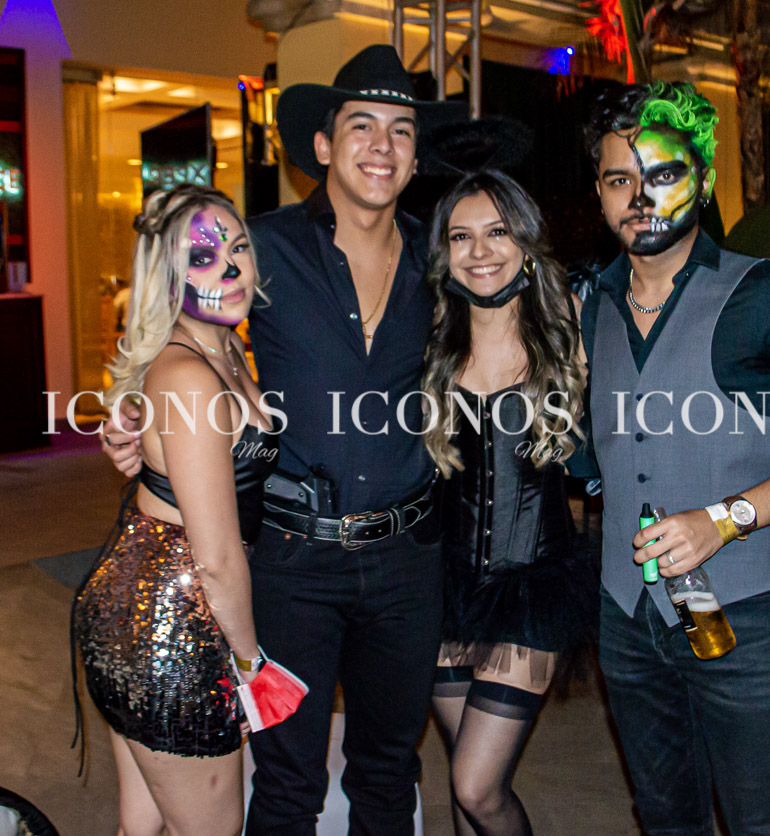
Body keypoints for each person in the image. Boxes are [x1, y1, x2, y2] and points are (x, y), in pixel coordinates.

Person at [103, 45, 466, 835]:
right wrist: (131, 413)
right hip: (292, 563)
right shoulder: (260, 247)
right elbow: (176, 321)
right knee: (288, 781)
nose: (382, 145)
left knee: (390, 771)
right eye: (362, 125)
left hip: (408, 562)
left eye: (402, 130)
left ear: (416, 156)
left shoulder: (442, 261)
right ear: (324, 145)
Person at [580, 81, 770, 835]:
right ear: (600, 193)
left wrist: (725, 518)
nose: (640, 197)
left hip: (743, 616)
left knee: (762, 823)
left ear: (704, 179)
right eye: (619, 179)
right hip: (626, 617)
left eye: (663, 174)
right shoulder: (592, 305)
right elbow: (594, 449)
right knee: (664, 816)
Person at [74, 184, 280, 836]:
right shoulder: (189, 375)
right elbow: (216, 558)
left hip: (143, 608)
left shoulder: (226, 347)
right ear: (167, 278)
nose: (230, 268)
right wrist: (251, 669)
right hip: (172, 628)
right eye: (203, 257)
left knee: (143, 827)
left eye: (238, 248)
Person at [421, 170, 593, 835]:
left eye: (497, 232)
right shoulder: (429, 336)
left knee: (477, 784)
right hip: (443, 583)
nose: (480, 251)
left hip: (533, 583)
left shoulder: (569, 322)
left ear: (525, 240)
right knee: (465, 781)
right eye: (461, 236)